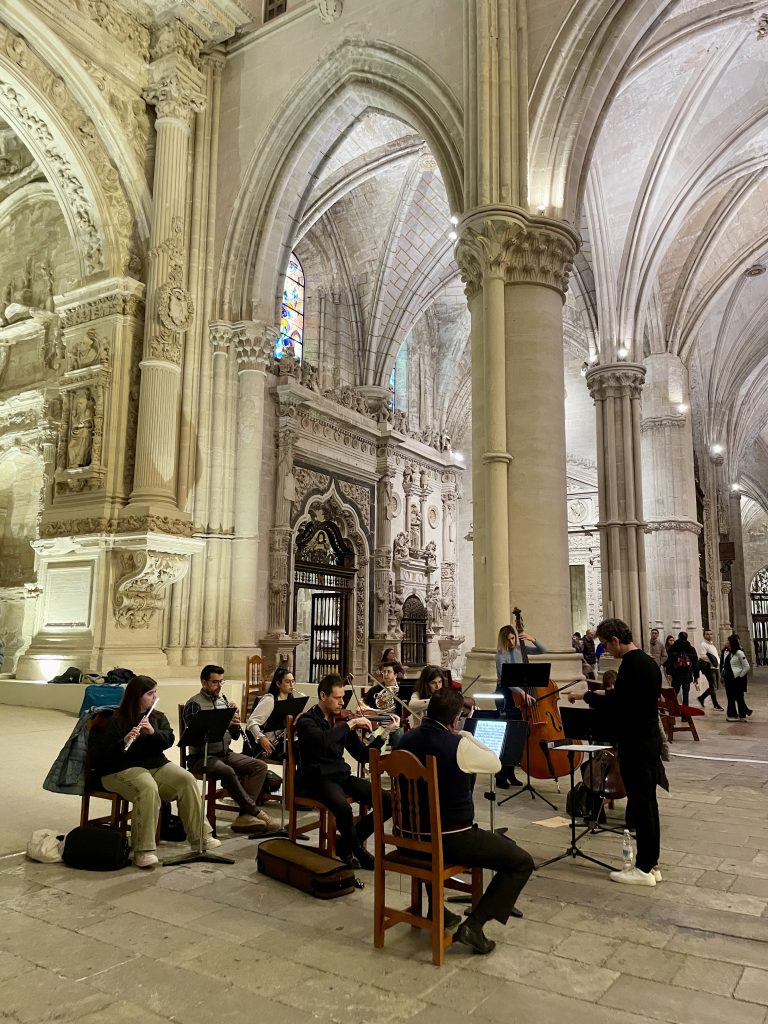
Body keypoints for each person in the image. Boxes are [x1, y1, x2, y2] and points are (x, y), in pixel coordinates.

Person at [398, 687, 534, 954]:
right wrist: (465, 734)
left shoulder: (405, 739)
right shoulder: (457, 743)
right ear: (455, 719)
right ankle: (475, 925)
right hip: (451, 839)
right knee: (521, 862)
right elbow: (495, 764)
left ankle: (438, 909)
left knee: (438, 832)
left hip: (408, 837)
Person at [90, 675, 219, 868]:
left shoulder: (157, 717)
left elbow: (168, 740)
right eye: (150, 693)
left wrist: (152, 732)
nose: (154, 697)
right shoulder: (116, 719)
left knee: (186, 779)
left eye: (155, 693)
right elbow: (102, 755)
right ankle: (143, 850)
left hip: (155, 765)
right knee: (148, 788)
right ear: (137, 696)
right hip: (119, 769)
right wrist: (124, 741)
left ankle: (200, 837)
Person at [582, 618, 662, 887]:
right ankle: (651, 864)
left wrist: (589, 697)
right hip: (648, 741)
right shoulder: (649, 663)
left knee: (641, 805)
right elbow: (632, 699)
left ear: (616, 640)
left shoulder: (631, 665)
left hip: (636, 743)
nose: (606, 650)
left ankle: (642, 868)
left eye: (606, 645)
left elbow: (621, 703)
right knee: (648, 803)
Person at [296, 673, 399, 868]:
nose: (342, 702)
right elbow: (324, 741)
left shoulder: (341, 722)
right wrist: (352, 724)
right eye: (337, 698)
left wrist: (385, 734)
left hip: (340, 776)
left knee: (388, 801)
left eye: (343, 697)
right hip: (317, 779)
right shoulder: (306, 721)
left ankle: (347, 843)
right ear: (323, 696)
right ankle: (358, 850)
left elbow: (362, 755)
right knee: (343, 808)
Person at [183, 665, 277, 832]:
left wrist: (234, 723)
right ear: (204, 682)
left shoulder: (223, 701)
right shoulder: (194, 704)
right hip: (203, 757)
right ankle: (253, 811)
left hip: (225, 753)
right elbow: (195, 738)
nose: (219, 686)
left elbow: (233, 736)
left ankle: (244, 816)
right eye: (215, 682)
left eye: (221, 681)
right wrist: (222, 723)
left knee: (259, 766)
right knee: (227, 771)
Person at [494, 624, 541, 788]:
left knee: (517, 736)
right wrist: (521, 693)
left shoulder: (521, 649)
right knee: (507, 737)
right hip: (506, 694)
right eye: (509, 640)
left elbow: (543, 650)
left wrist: (533, 639)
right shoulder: (501, 655)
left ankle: (511, 774)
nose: (512, 642)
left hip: (520, 692)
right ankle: (500, 776)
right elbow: (507, 679)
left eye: (513, 638)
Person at [246, 666, 297, 756]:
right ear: (278, 684)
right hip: (268, 746)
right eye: (288, 681)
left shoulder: (290, 700)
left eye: (293, 681)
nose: (291, 684)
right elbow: (252, 722)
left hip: (283, 743)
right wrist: (261, 738)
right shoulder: (270, 700)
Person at [721, 634, 752, 722]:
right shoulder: (727, 652)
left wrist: (740, 676)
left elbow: (746, 667)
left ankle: (742, 715)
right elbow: (724, 665)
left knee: (739, 697)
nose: (726, 642)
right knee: (730, 697)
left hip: (736, 678)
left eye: (728, 641)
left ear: (732, 643)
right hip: (728, 678)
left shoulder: (739, 652)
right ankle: (732, 714)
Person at [664, 632, 699, 706]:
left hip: (676, 674)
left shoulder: (673, 648)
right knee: (686, 693)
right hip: (687, 674)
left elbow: (669, 661)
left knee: (674, 693)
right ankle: (685, 712)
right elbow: (695, 663)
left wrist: (668, 672)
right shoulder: (691, 649)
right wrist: (696, 676)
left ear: (679, 637)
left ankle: (672, 709)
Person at [698, 629, 724, 710]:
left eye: (711, 634)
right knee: (713, 686)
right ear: (704, 635)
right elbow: (702, 656)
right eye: (707, 634)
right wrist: (713, 661)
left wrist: (717, 662)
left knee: (715, 686)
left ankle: (701, 698)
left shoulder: (712, 645)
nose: (709, 636)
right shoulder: (703, 644)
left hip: (715, 667)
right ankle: (715, 704)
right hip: (709, 668)